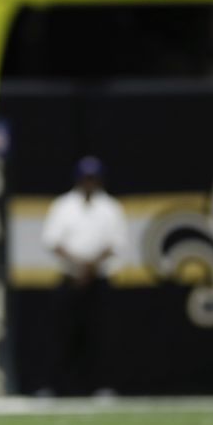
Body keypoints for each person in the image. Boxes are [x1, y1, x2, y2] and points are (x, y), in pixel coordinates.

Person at [40, 156, 128, 397]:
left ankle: (103, 386)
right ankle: (55, 387)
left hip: (99, 279)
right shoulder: (63, 205)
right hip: (70, 277)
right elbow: (52, 241)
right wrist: (79, 267)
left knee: (102, 334)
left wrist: (90, 268)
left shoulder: (110, 207)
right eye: (86, 178)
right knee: (61, 334)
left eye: (93, 178)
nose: (89, 183)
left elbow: (115, 243)